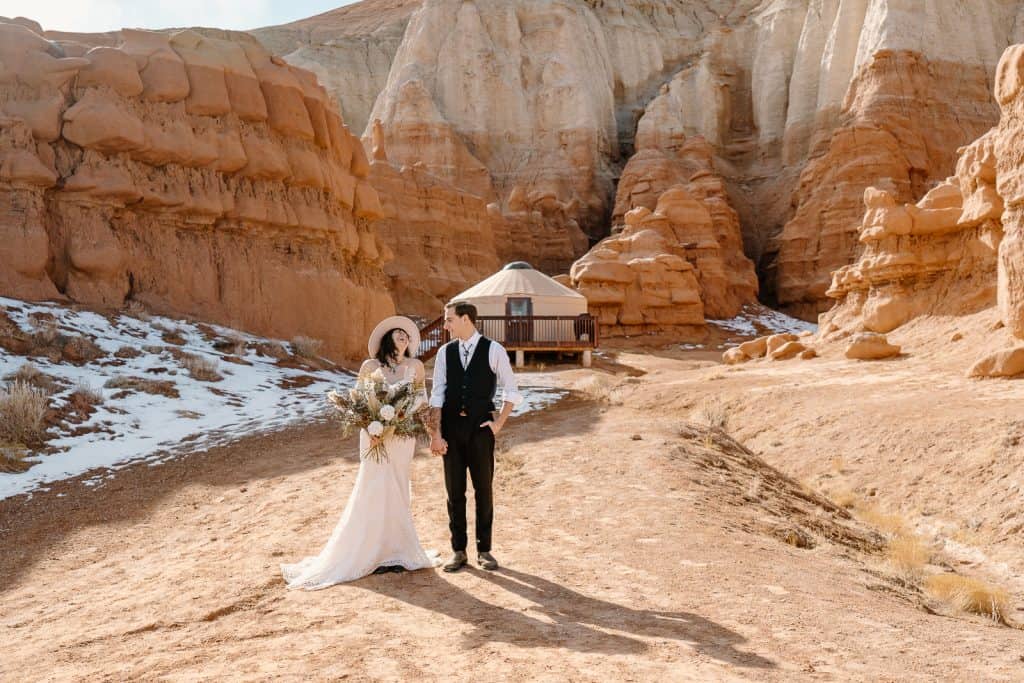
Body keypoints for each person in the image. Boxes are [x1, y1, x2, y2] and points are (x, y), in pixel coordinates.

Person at [281, 316, 439, 589]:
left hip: (402, 439)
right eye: (399, 333)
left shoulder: (414, 366)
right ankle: (372, 553)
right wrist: (373, 426)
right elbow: (359, 401)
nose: (404, 338)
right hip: (375, 437)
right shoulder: (370, 366)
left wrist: (432, 432)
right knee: (374, 488)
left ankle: (397, 552)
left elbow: (421, 401)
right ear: (387, 338)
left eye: (407, 336)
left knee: (399, 489)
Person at [429, 301, 521, 572]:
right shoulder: (445, 353)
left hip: (481, 432)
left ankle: (485, 550)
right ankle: (458, 551)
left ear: (465, 319)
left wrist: (498, 424)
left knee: (484, 490)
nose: (445, 325)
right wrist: (436, 434)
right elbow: (437, 395)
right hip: (451, 432)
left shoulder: (494, 350)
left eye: (449, 320)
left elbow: (511, 390)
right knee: (454, 492)